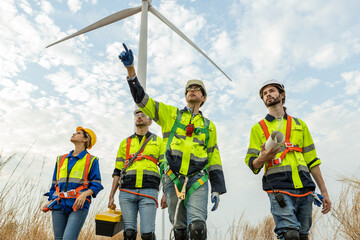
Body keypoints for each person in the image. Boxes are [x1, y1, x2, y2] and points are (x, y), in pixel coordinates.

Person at [118, 43, 226, 240]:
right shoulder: (170, 114)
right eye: (189, 89)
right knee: (180, 230)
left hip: (198, 178)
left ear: (203, 97)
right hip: (172, 177)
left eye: (197, 89)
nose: (192, 91)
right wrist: (131, 71)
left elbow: (213, 156)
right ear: (185, 96)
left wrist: (218, 187)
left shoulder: (210, 126)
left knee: (198, 228)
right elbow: (142, 101)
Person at [245, 79, 331, 240]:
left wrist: (324, 192)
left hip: (305, 187)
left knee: (303, 235)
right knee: (290, 234)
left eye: (271, 91)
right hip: (278, 187)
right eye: (264, 93)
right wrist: (263, 158)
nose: (267, 95)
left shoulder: (300, 125)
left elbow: (312, 161)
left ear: (282, 95)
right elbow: (252, 163)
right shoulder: (258, 128)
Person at [108, 109, 163, 240]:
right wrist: (111, 196)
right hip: (127, 191)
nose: (139, 117)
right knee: (129, 234)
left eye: (143, 115)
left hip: (149, 190)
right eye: (137, 115)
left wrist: (166, 193)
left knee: (147, 234)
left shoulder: (159, 142)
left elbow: (165, 170)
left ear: (149, 121)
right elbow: (117, 171)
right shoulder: (125, 143)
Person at [43, 127, 103, 240]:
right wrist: (51, 199)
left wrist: (84, 195)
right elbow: (54, 184)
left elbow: (96, 185)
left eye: (78, 133)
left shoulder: (92, 160)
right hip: (58, 205)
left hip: (78, 205)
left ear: (86, 139)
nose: (74, 134)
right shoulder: (61, 159)